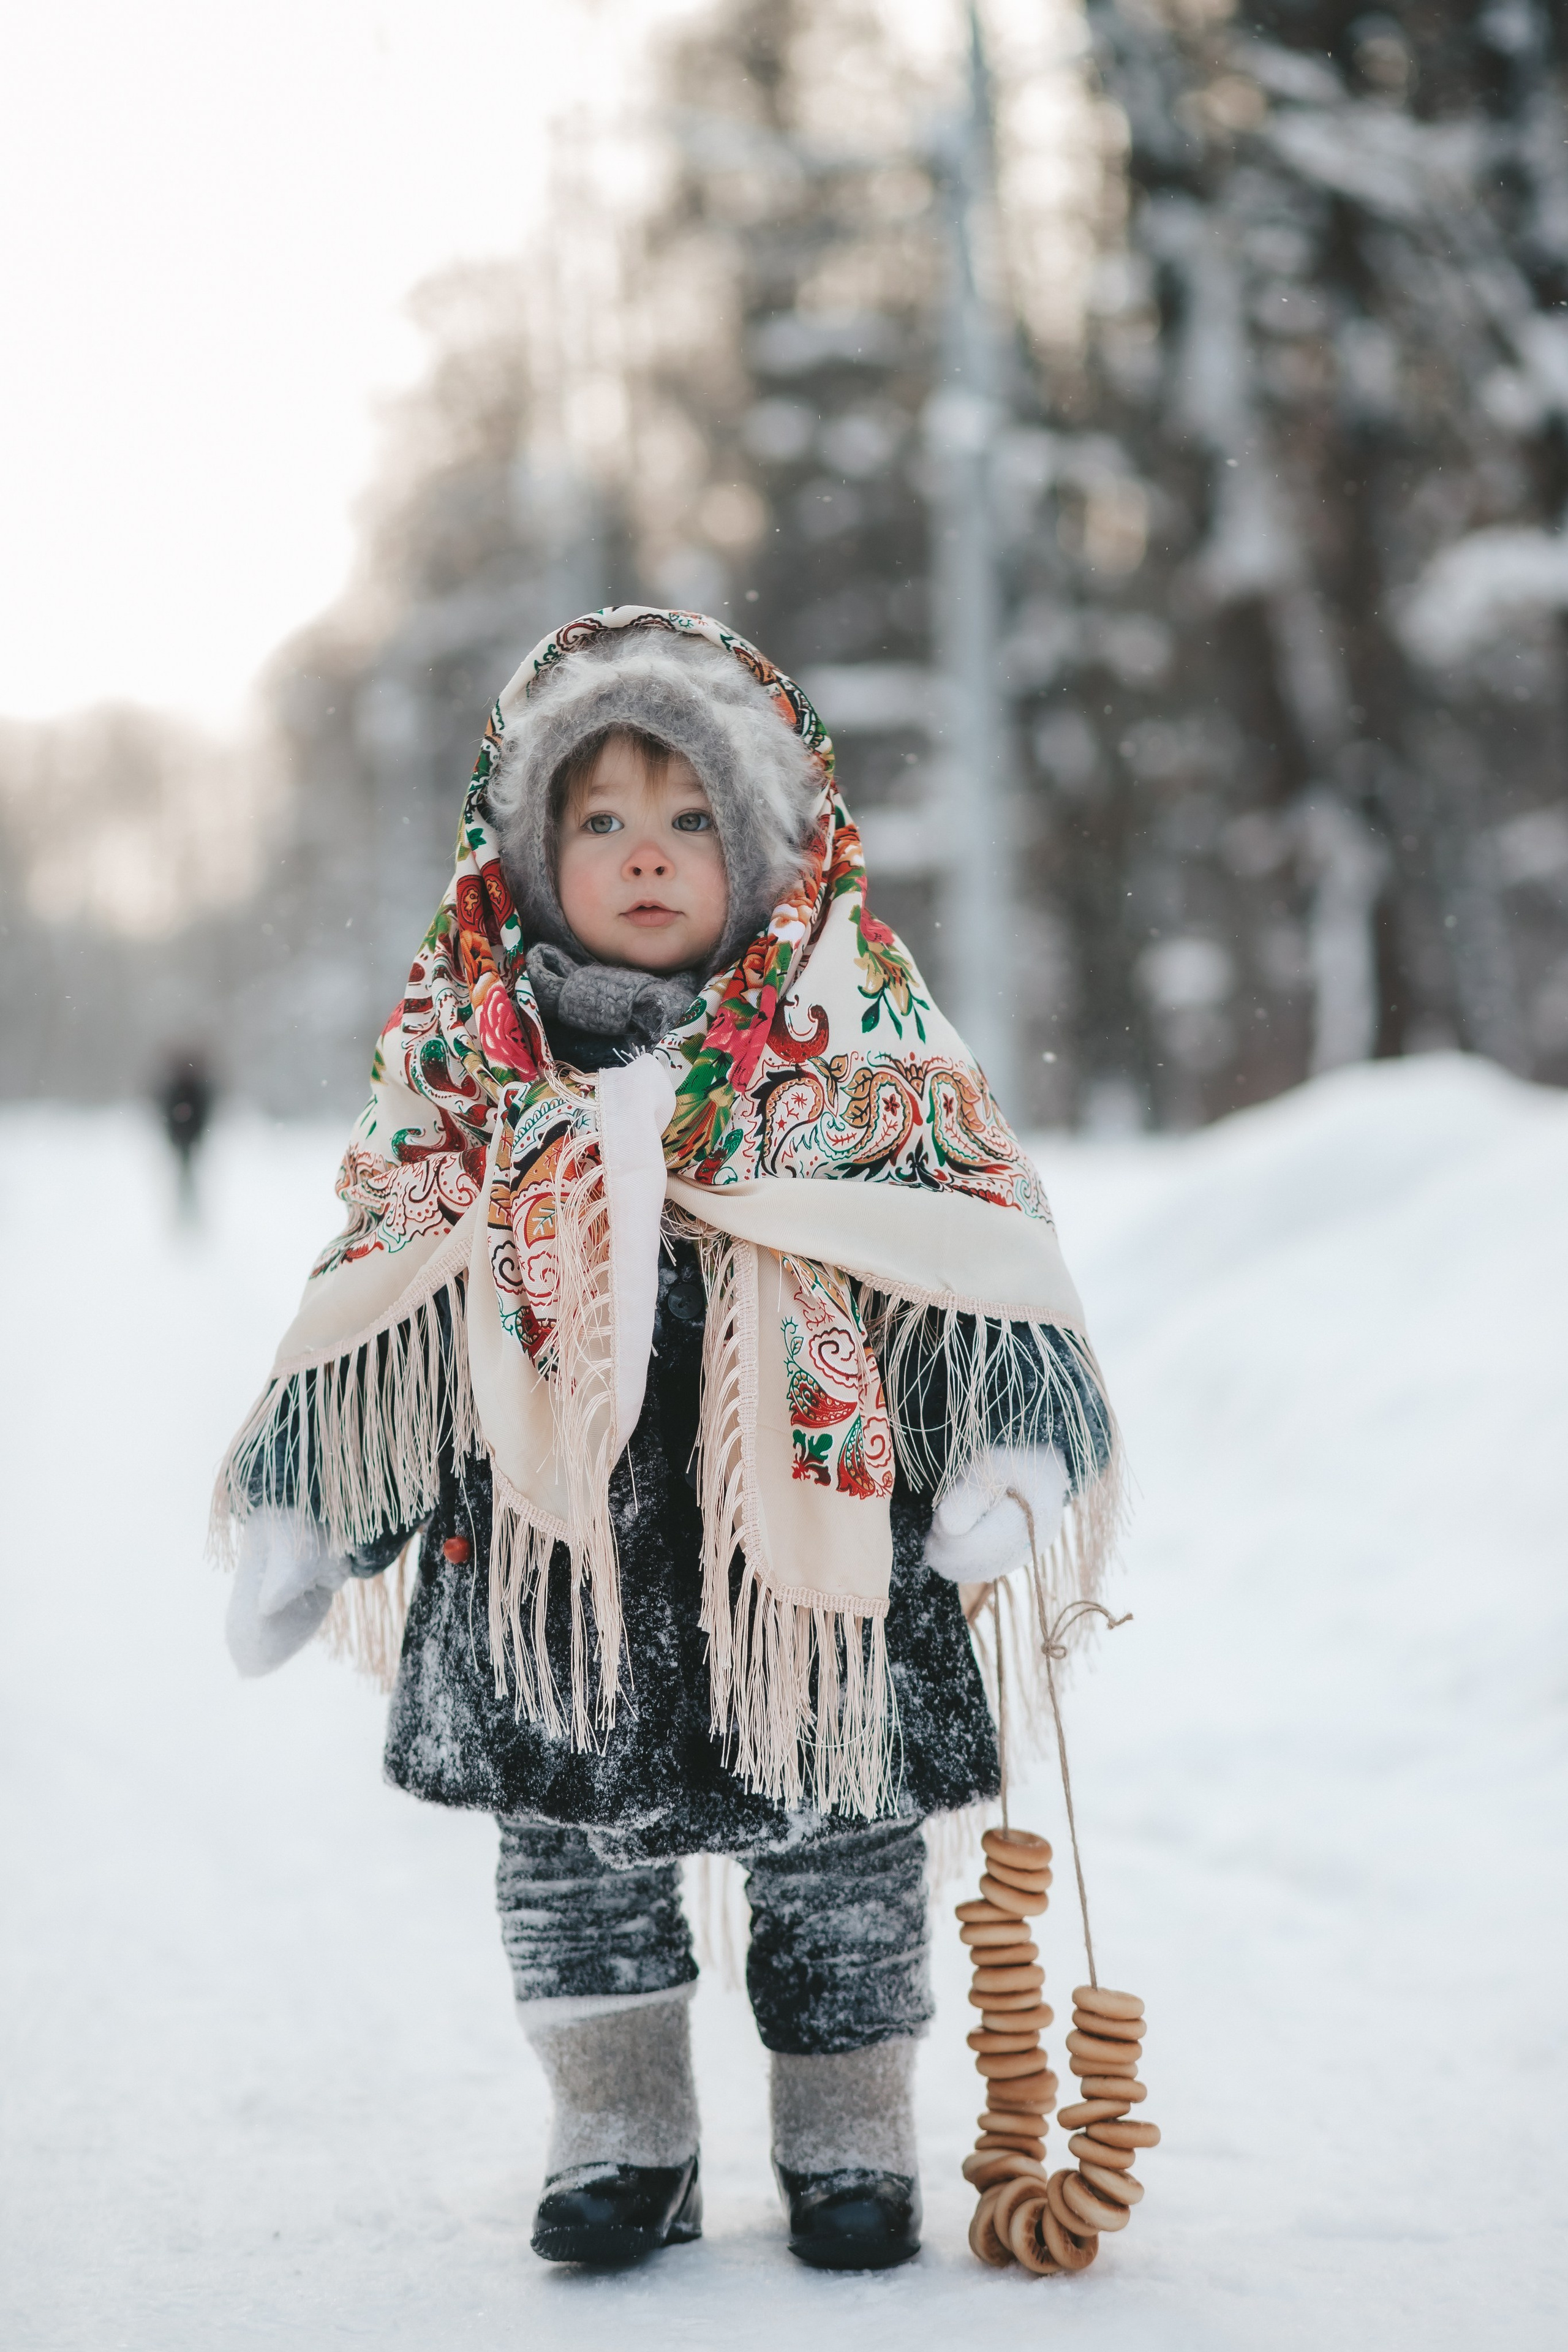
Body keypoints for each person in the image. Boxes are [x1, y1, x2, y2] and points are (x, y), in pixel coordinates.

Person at [216, 608, 1117, 2273]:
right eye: (601, 818)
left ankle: (847, 2126)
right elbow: (386, 1289)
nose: (646, 853)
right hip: (553, 1559)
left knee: (841, 1843)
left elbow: (969, 1248)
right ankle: (619, 2124)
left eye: (692, 816)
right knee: (570, 1858)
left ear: (765, 843)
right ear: (526, 856)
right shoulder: (474, 1070)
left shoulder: (860, 1042)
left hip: (815, 1563)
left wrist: (1005, 1436)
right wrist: (315, 1501)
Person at [157, 1049, 214, 1219]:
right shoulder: (185, 1090)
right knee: (185, 1175)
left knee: (187, 1175)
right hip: (184, 1139)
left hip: (187, 1138)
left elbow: (201, 1114)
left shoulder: (189, 1090)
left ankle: (189, 1211)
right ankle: (186, 1211)